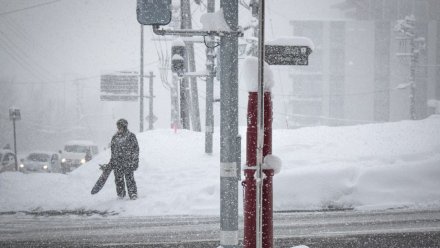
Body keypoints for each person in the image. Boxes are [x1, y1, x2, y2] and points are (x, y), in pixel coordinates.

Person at [109, 119, 139, 200]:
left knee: (130, 179)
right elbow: (113, 151)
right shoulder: (115, 137)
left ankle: (133, 194)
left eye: (120, 126)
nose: (118, 128)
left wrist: (135, 161)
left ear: (124, 126)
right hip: (117, 163)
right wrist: (112, 161)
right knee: (118, 180)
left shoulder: (131, 136)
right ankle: (120, 194)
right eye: (118, 126)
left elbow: (136, 150)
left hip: (128, 163)